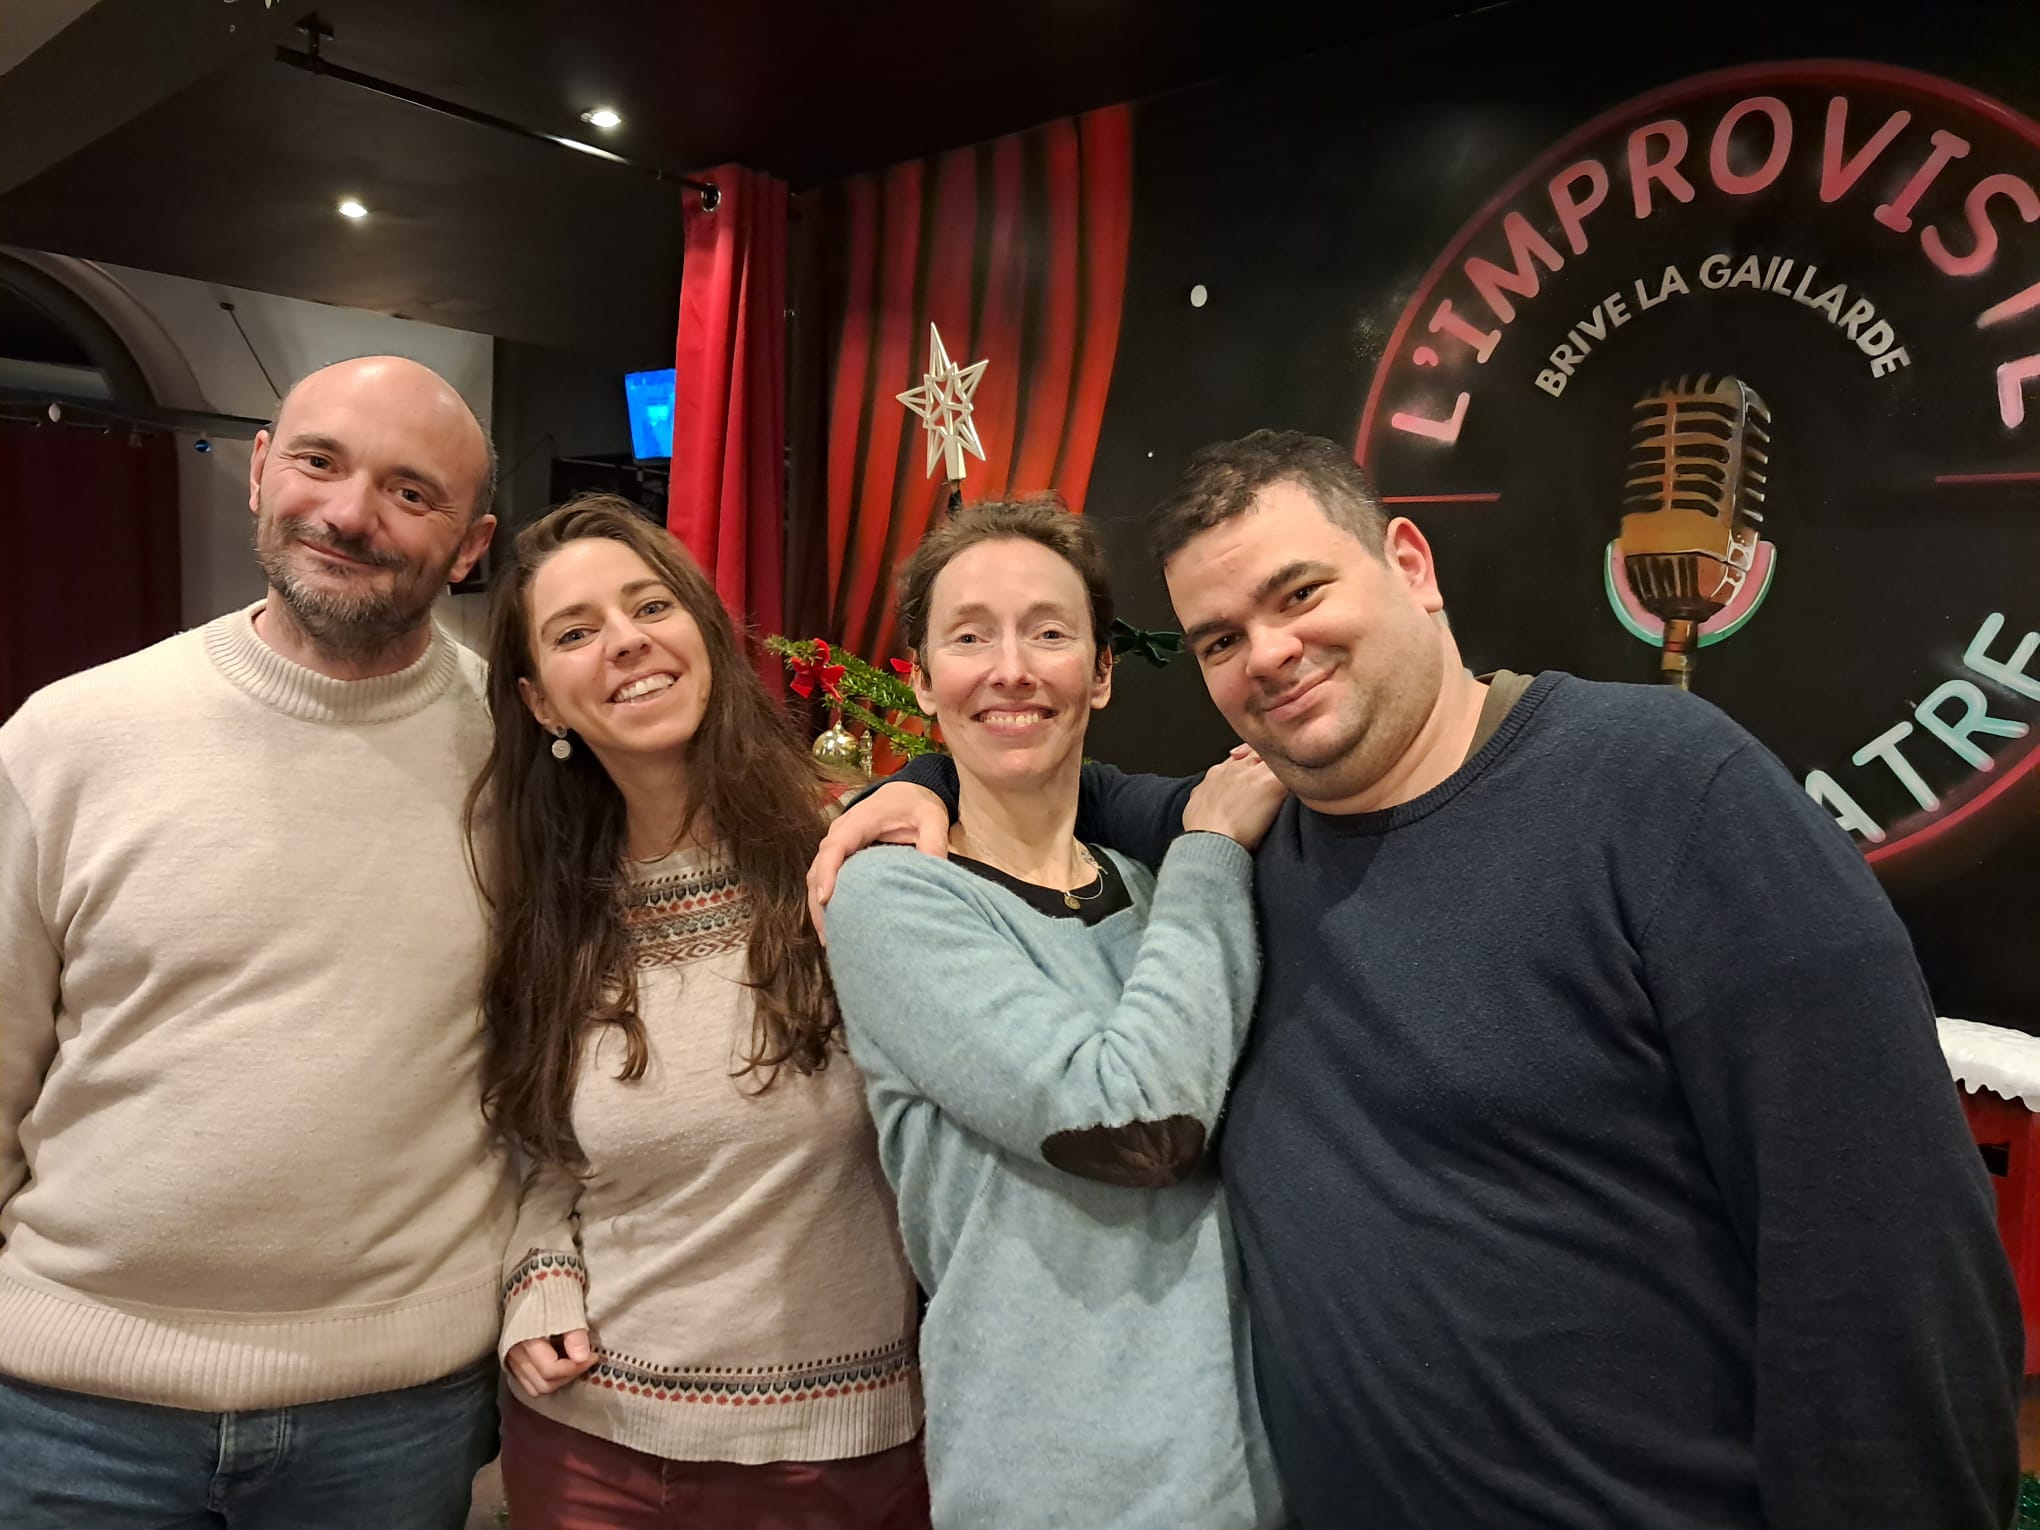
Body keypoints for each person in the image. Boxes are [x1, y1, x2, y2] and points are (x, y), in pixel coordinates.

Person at [810, 431, 2024, 1529]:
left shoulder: (1665, 793)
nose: (1270, 655)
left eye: (1300, 594)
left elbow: (1886, 1273)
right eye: (1222, 640)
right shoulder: (1239, 834)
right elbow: (1035, 779)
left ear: (1410, 563)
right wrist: (904, 783)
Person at [0, 355, 509, 1528]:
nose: (348, 514)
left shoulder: (522, 762)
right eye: (321, 463)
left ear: (471, 546)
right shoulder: (72, 736)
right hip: (71, 1408)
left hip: (394, 1409)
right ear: (261, 470)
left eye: (409, 491)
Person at [823, 500, 1288, 1529]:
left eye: (1048, 631)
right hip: (1054, 1486)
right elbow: (1131, 1125)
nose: (1012, 667)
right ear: (919, 674)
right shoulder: (893, 900)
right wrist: (1213, 849)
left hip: (1241, 1475)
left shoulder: (1154, 889)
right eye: (970, 634)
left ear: (1102, 670)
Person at [469, 494, 927, 1529]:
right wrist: (539, 1276)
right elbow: (544, 1148)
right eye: (576, 632)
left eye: (650, 606)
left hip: (838, 1459)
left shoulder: (849, 859)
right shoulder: (552, 905)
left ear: (705, 632)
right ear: (543, 704)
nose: (625, 642)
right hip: (588, 1448)